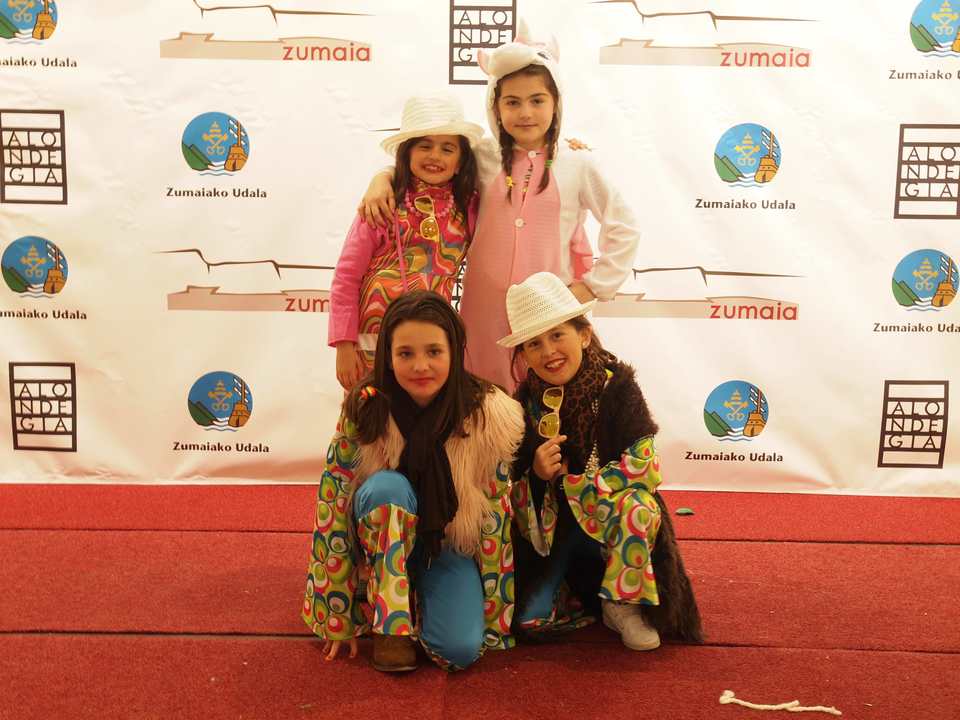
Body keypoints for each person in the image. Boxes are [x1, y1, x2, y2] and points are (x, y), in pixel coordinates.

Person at [360, 22, 640, 390]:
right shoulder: (482, 156)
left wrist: (593, 286)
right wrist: (382, 177)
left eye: (537, 100)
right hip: (484, 310)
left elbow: (624, 227)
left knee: (545, 395)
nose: (525, 112)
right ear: (495, 105)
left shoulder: (577, 163)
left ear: (556, 103)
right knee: (484, 396)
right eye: (512, 102)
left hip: (548, 313)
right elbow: (431, 166)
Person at [302, 291, 524, 672]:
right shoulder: (366, 405)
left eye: (434, 352)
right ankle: (392, 625)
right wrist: (336, 614)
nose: (421, 366)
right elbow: (333, 505)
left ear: (454, 351)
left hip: (448, 545)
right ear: (388, 356)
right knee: (390, 490)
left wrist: (494, 618)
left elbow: (495, 520)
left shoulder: (489, 414)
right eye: (405, 353)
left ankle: (422, 596)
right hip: (382, 540)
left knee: (460, 650)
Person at [498, 272, 702, 650]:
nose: (548, 351)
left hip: (613, 525)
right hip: (556, 535)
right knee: (529, 621)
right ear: (523, 355)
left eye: (557, 335)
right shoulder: (521, 405)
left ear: (584, 335)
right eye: (534, 343)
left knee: (639, 508)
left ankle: (623, 605)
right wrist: (537, 475)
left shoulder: (617, 387)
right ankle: (572, 593)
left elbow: (644, 466)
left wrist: (577, 486)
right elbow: (513, 488)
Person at [329, 93, 483, 390]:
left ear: (460, 161)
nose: (435, 155)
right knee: (372, 411)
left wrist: (566, 149)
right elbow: (347, 276)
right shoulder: (383, 203)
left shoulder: (469, 207)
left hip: (431, 341)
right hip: (372, 341)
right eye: (424, 145)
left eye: (447, 148)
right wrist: (344, 344)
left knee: (428, 410)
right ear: (407, 152)